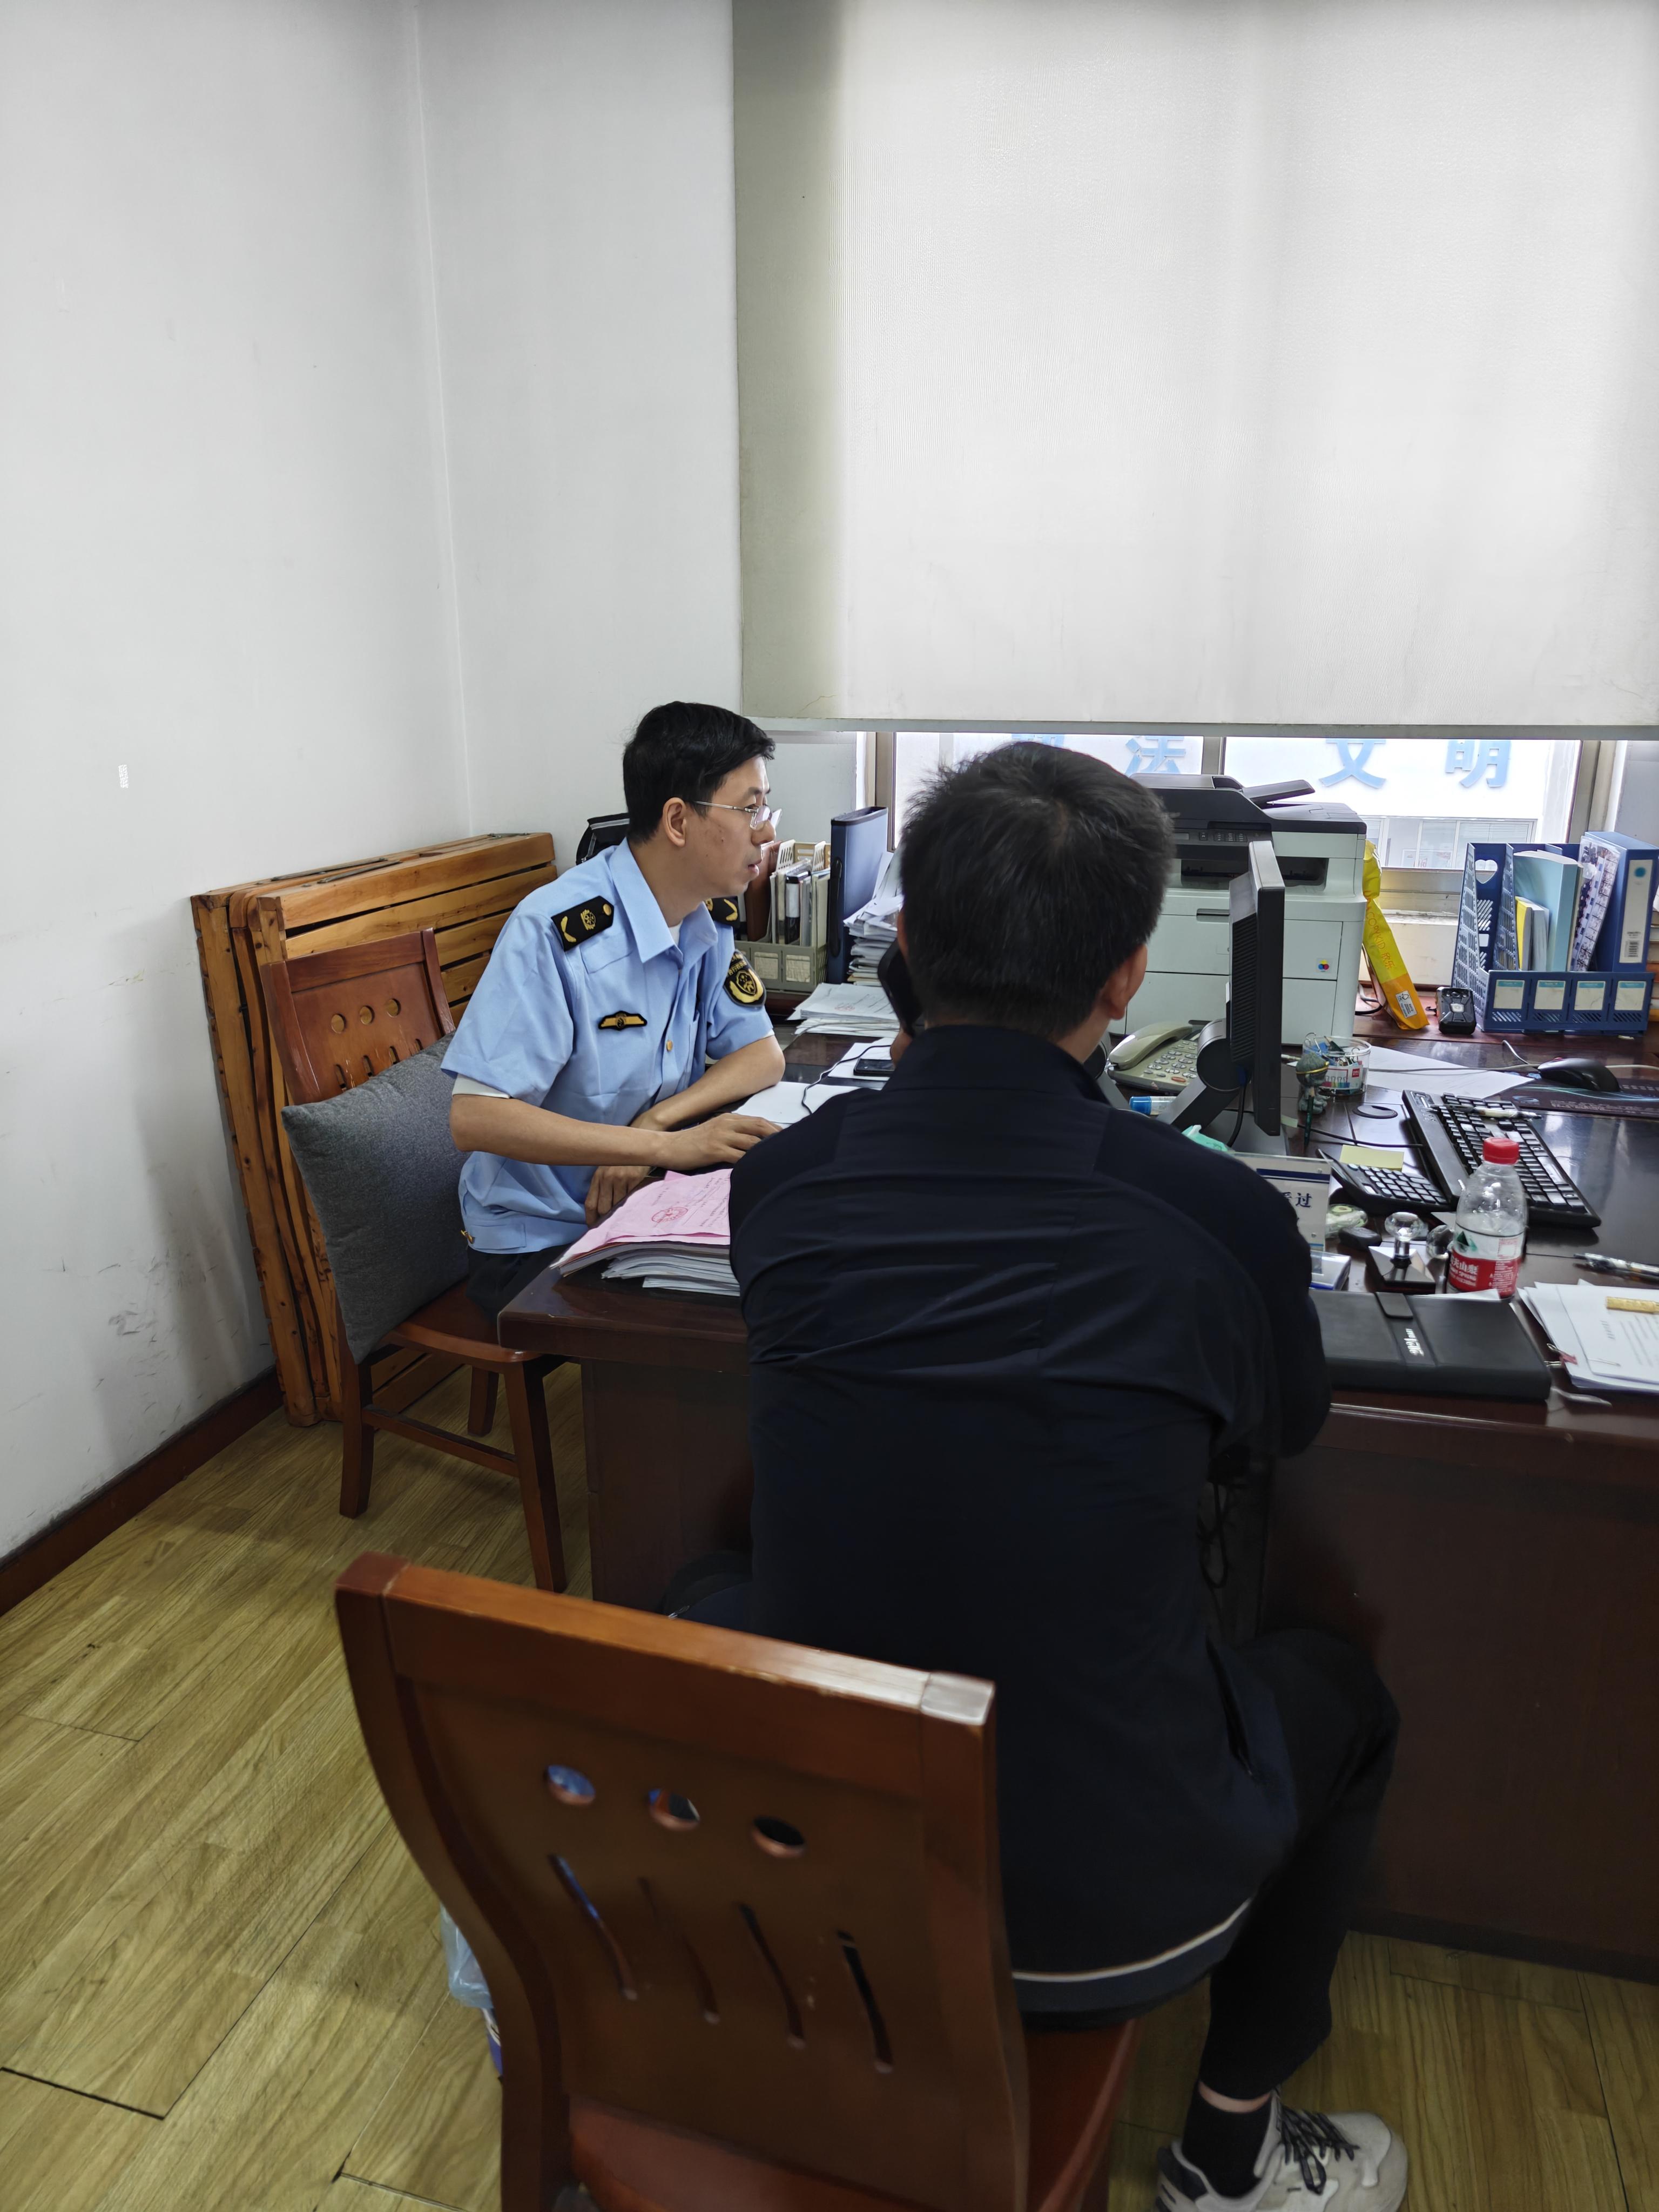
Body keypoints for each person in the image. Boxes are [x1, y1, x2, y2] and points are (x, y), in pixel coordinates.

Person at [724, 744, 1406, 2212]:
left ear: (907, 945)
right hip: (1110, 1912)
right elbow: (1279, 1430)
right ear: (1127, 977)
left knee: (709, 1585)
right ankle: (1228, 2151)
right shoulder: (1214, 1216)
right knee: (1340, 1695)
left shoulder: (778, 1185)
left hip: (834, 1868)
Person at [446, 700, 786, 1318]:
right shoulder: (555, 931)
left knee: (778, 1268)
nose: (765, 833)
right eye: (750, 809)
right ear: (678, 820)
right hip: (539, 1237)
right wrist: (668, 1148)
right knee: (727, 1317)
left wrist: (654, 1129)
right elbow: (475, 1118)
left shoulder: (704, 917)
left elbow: (763, 1055)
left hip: (641, 1202)